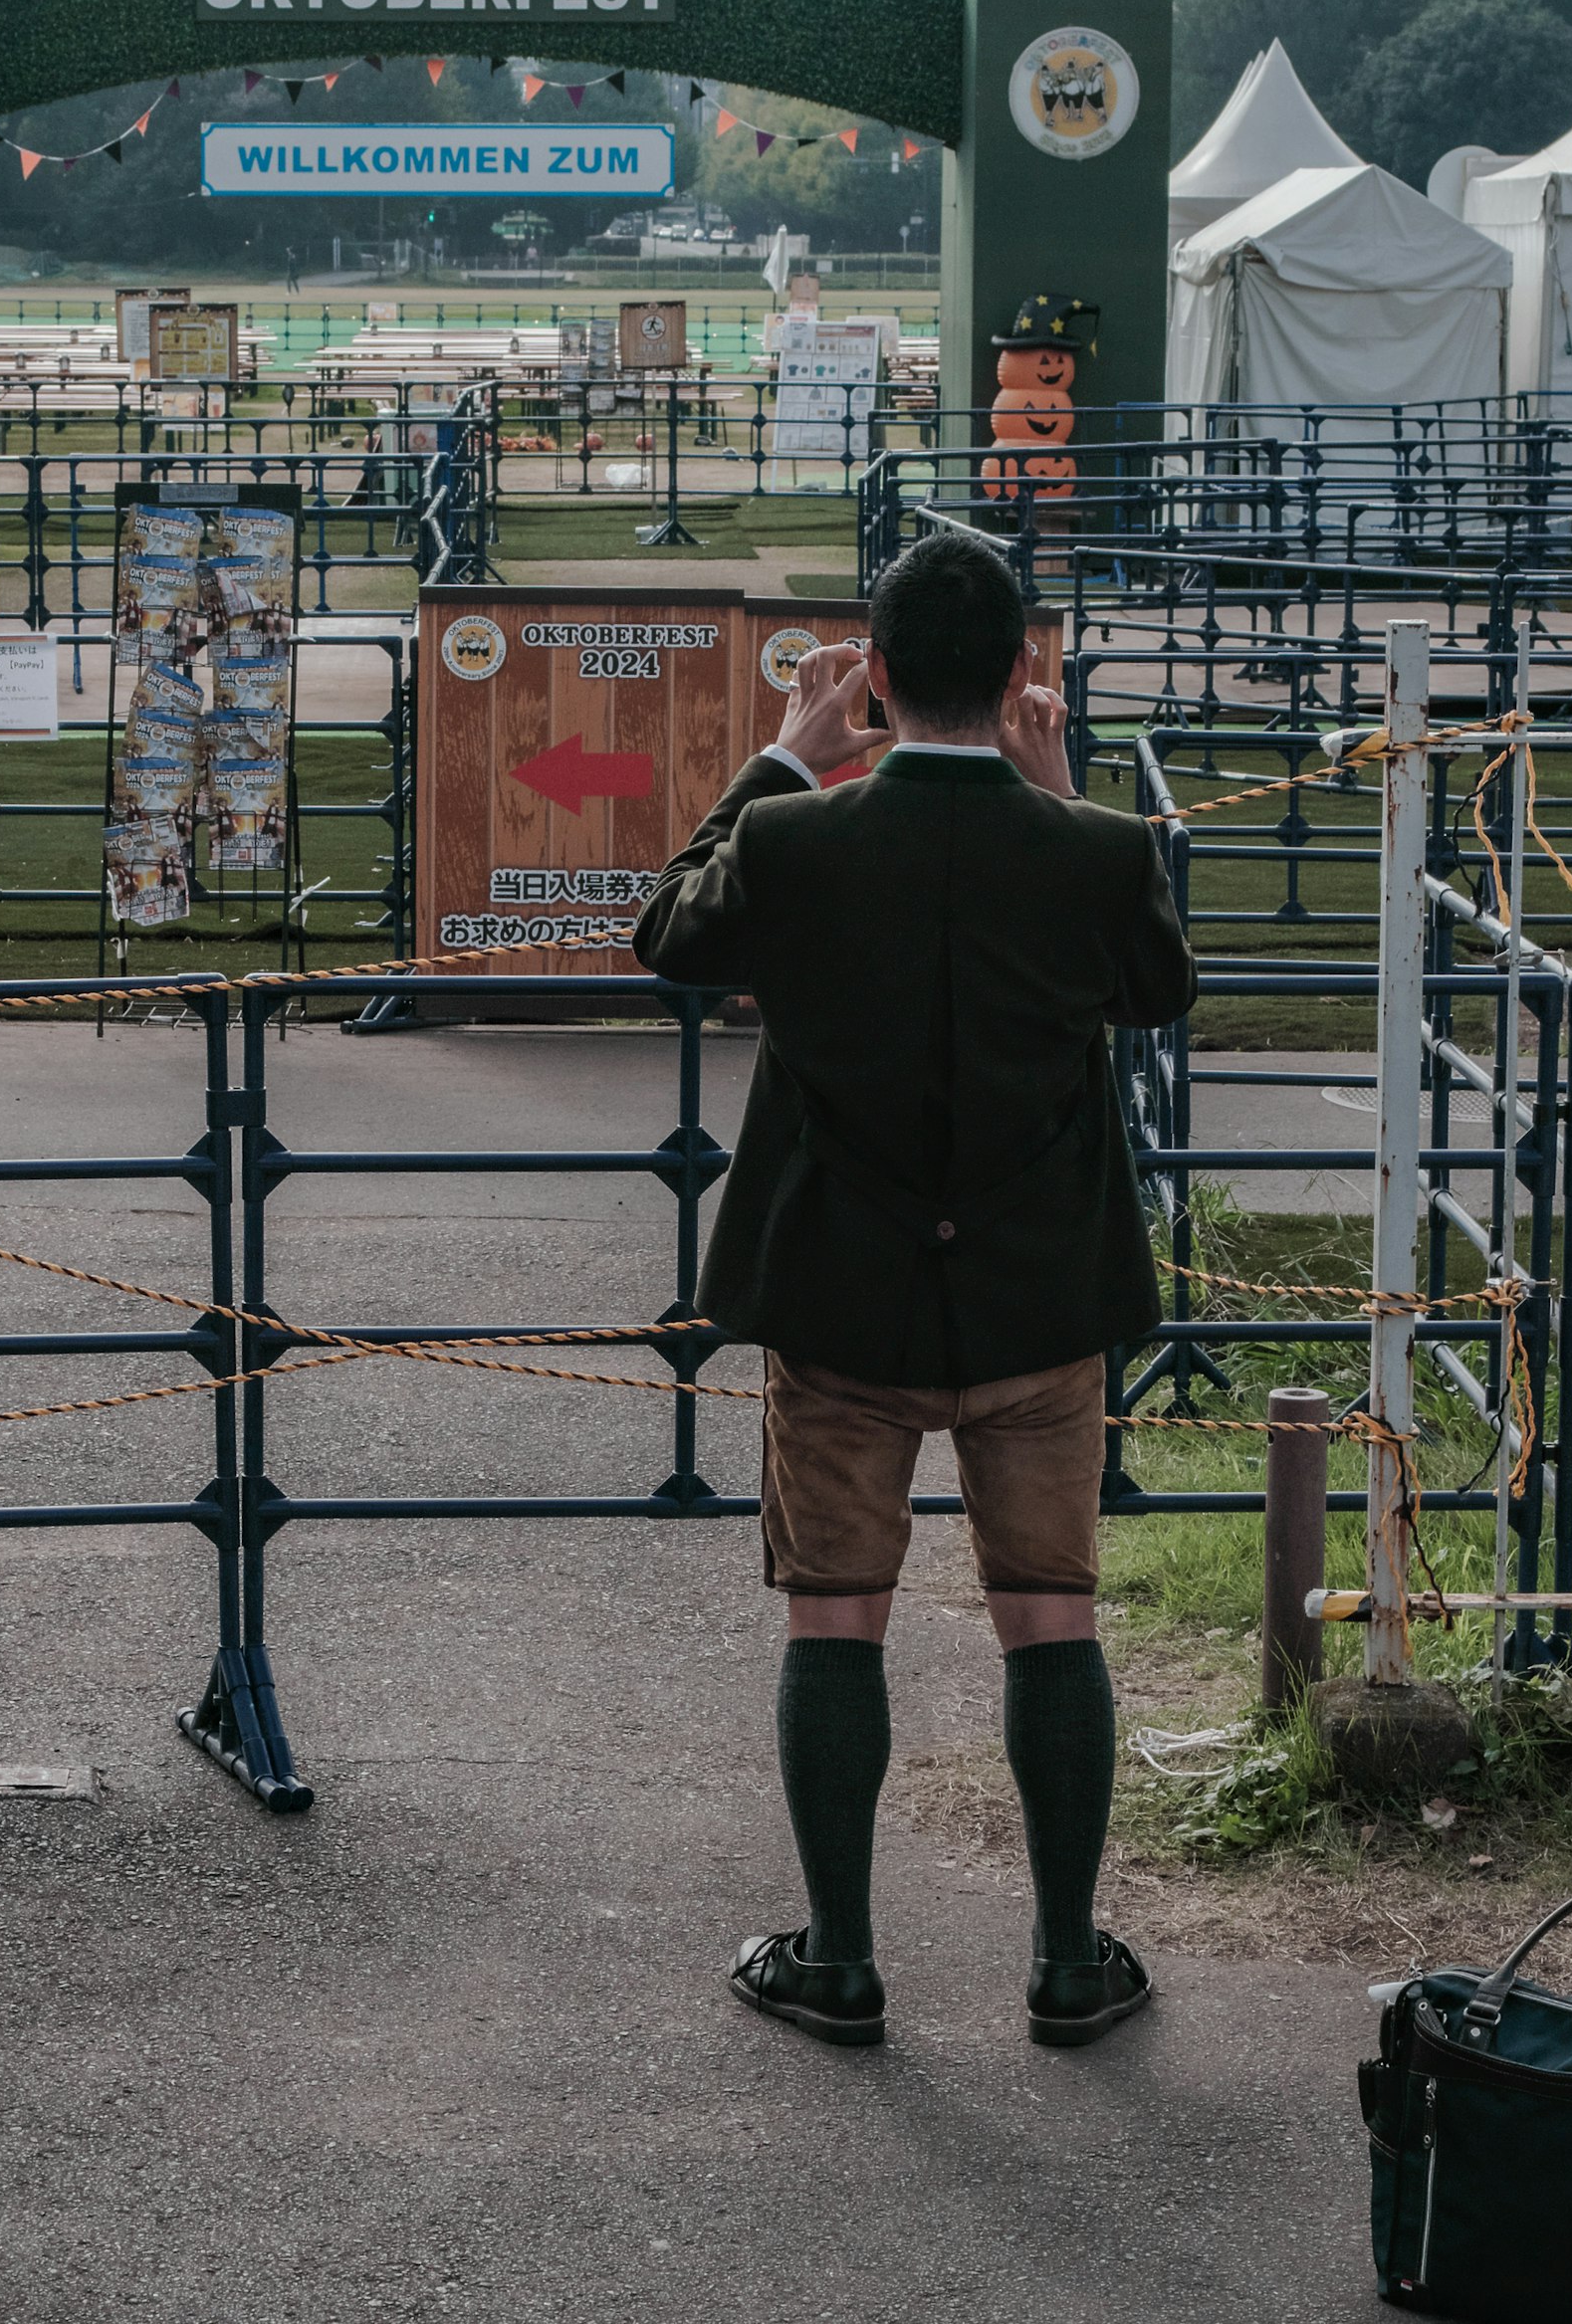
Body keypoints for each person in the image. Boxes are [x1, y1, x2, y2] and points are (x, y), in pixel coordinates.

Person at [630, 531, 1198, 2050]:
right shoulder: (1094, 851)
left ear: (872, 680)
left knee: (835, 1620)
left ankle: (844, 1957)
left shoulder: (803, 839)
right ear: (1024, 675)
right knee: (1051, 1618)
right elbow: (1158, 988)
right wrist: (1069, 800)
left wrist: (775, 762)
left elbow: (669, 935)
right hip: (1035, 1302)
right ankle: (1070, 1960)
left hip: (842, 1294)